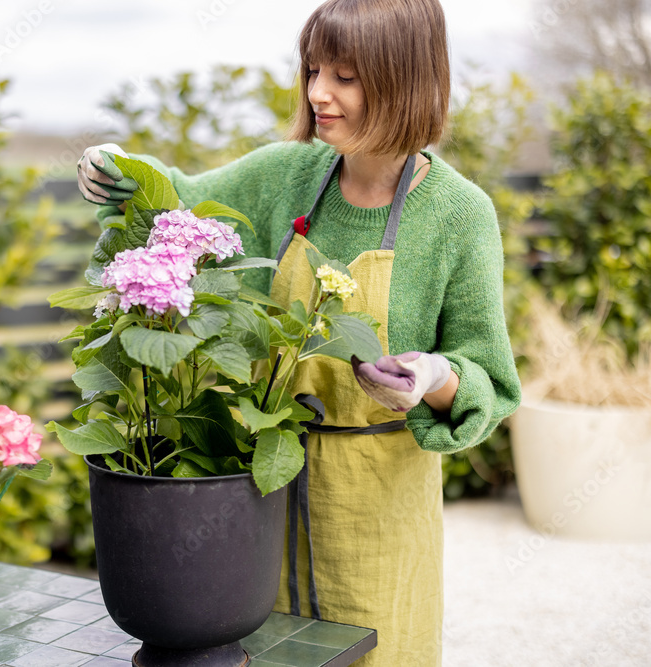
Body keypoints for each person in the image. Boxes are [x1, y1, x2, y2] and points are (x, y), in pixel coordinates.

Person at [76, 0, 521, 664]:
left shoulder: (459, 214)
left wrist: (432, 375)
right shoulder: (285, 177)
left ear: (405, 78)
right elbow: (176, 197)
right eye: (314, 70)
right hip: (261, 491)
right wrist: (115, 168)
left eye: (345, 76)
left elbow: (487, 378)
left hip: (378, 511)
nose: (318, 93)